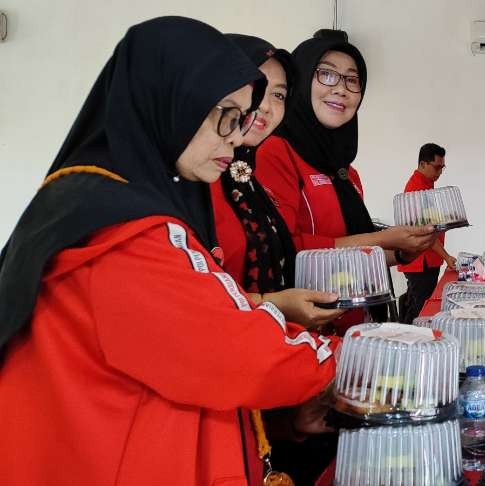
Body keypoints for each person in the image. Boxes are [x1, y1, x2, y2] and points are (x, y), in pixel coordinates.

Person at [0, 17, 335, 485]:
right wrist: (358, 359)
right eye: (226, 114)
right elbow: (234, 353)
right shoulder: (122, 233)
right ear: (171, 98)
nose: (237, 135)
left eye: (243, 117)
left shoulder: (100, 201)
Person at [213, 33, 344, 485]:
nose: (264, 108)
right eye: (254, 92)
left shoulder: (244, 175)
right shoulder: (195, 182)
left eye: (280, 95)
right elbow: (205, 306)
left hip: (271, 375)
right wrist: (276, 304)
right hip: (222, 384)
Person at [256, 30, 435, 296]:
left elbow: (352, 253)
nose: (341, 89)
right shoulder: (274, 153)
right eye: (326, 74)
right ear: (301, 82)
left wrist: (402, 252)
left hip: (353, 323)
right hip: (303, 325)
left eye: (352, 79)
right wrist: (381, 238)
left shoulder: (346, 173)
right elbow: (280, 248)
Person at [397, 142, 457, 323]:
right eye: (437, 167)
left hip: (427, 259)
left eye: (442, 167)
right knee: (420, 310)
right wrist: (447, 257)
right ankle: (410, 344)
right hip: (420, 260)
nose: (439, 172)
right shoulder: (417, 189)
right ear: (423, 164)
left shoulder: (426, 185)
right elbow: (426, 235)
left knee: (415, 303)